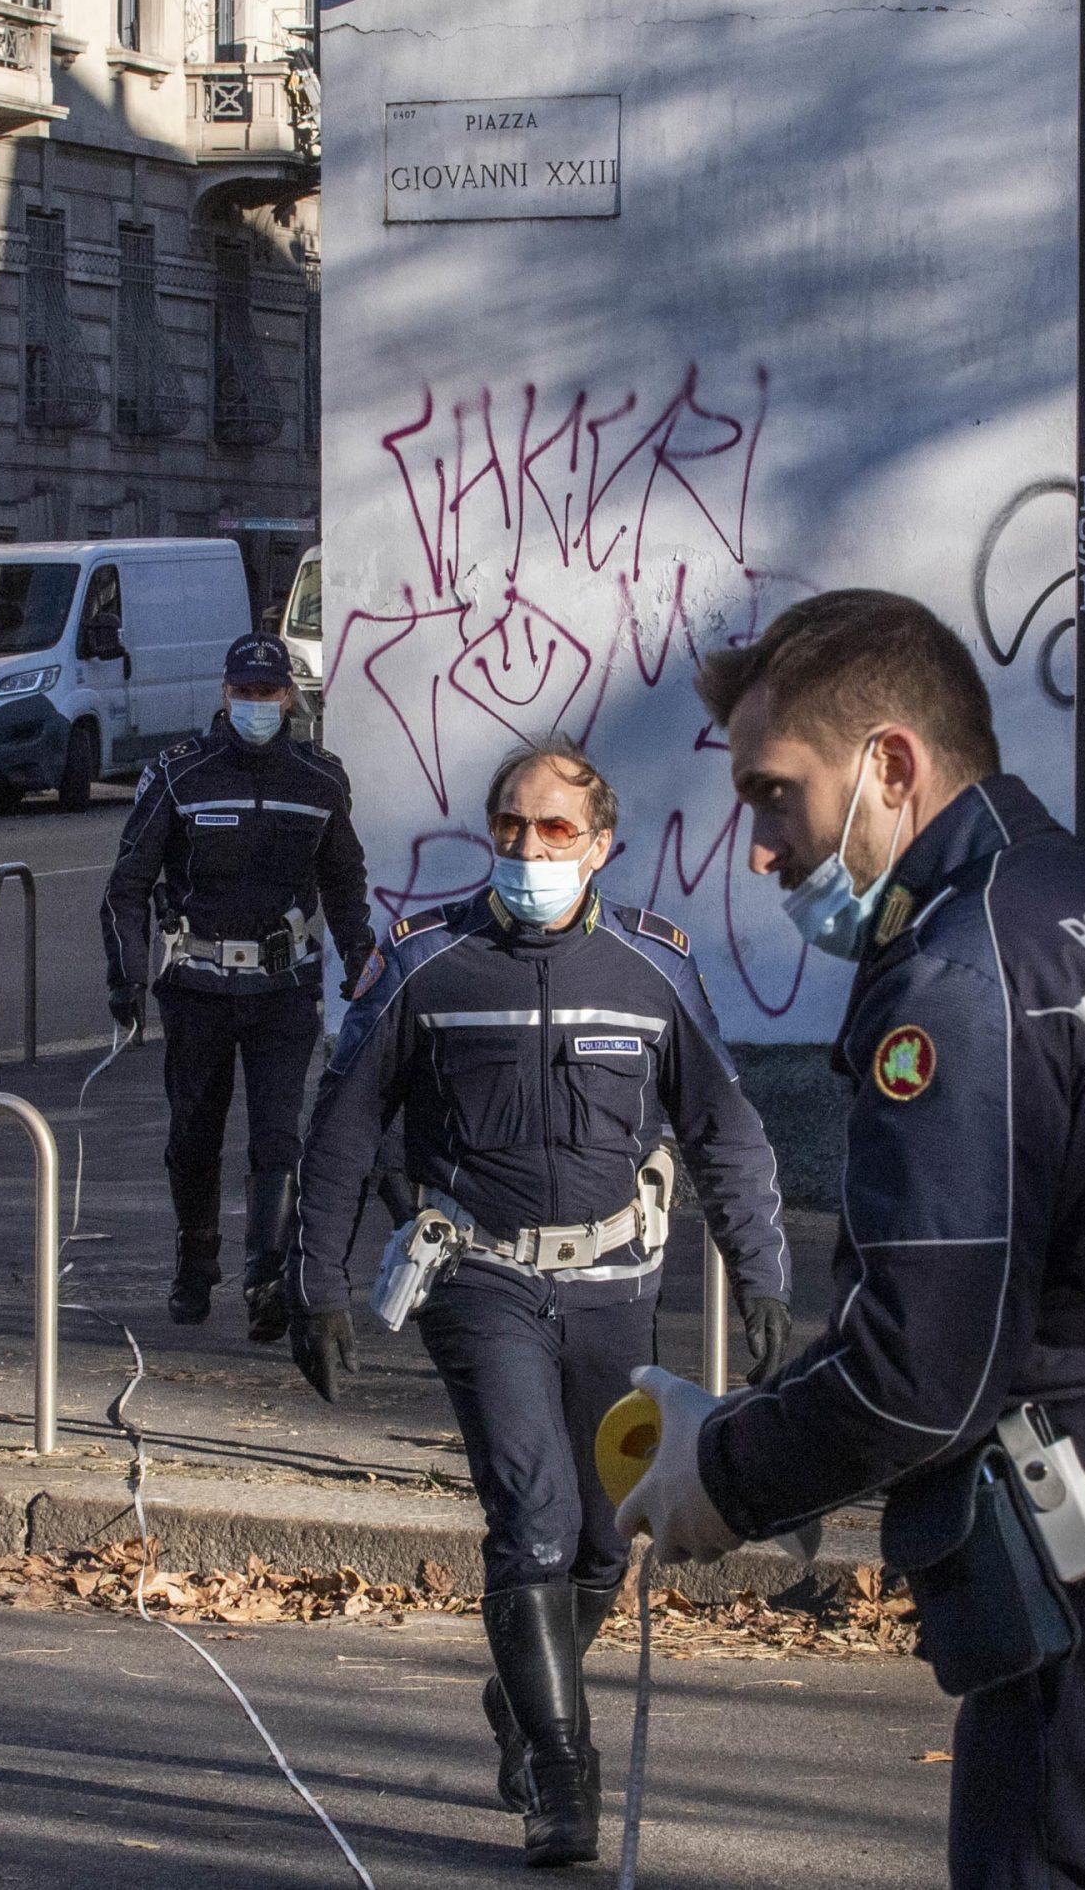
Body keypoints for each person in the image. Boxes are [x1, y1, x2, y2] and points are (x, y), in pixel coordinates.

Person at [617, 591, 1085, 1888]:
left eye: (771, 794)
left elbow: (931, 1371)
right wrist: (747, 1415)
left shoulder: (961, 968)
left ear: (890, 768)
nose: (756, 847)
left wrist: (726, 1469)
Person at [288, 735, 793, 1868]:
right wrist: (312, 1284)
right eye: (510, 826)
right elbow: (340, 1132)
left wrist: (763, 1273)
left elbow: (725, 1128)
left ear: (600, 844)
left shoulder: (652, 966)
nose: (527, 848)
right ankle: (560, 1774)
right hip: (481, 1278)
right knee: (532, 1519)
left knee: (608, 1543)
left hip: (616, 1283)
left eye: (553, 830)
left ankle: (522, 1693)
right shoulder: (429, 962)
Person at [101, 630, 374, 1337]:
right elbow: (128, 883)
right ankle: (196, 1264)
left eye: (268, 692)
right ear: (225, 693)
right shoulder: (181, 774)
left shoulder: (319, 780)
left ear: (289, 696)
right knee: (194, 1136)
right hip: (196, 989)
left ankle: (266, 1277)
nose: (257, 703)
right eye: (244, 692)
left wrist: (361, 959)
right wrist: (127, 978)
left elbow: (344, 881)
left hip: (283, 990)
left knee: (278, 1138)